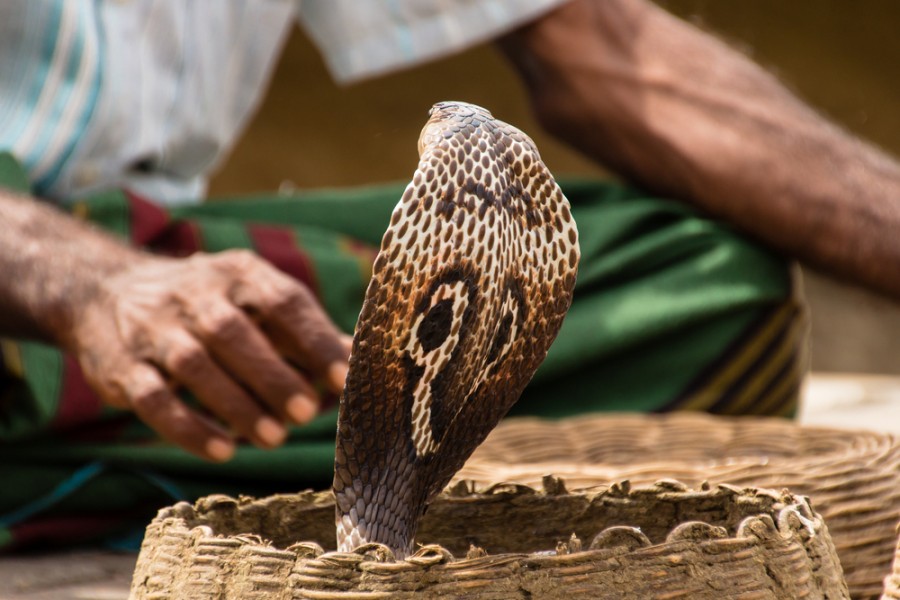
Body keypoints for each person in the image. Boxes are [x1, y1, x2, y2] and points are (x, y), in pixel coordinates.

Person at [0, 0, 897, 550]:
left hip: (151, 235)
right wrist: (87, 286)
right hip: (31, 259)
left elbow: (603, 45)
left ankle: (144, 463)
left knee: (713, 282)